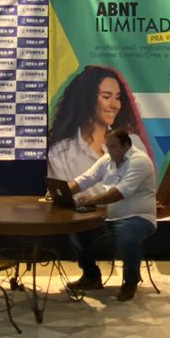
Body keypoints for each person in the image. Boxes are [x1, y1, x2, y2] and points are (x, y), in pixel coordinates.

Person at [64, 129, 159, 302]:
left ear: (126, 145)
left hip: (138, 217)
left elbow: (121, 192)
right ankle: (91, 276)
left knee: (127, 239)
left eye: (113, 147)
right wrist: (64, 192)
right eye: (107, 146)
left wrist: (91, 199)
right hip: (109, 217)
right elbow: (87, 178)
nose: (109, 150)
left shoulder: (140, 162)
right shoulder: (108, 159)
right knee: (78, 229)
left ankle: (131, 281)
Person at [47, 65, 144, 182]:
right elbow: (60, 194)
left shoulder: (133, 143)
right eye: (106, 97)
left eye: (117, 98)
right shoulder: (60, 154)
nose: (115, 105)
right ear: (87, 99)